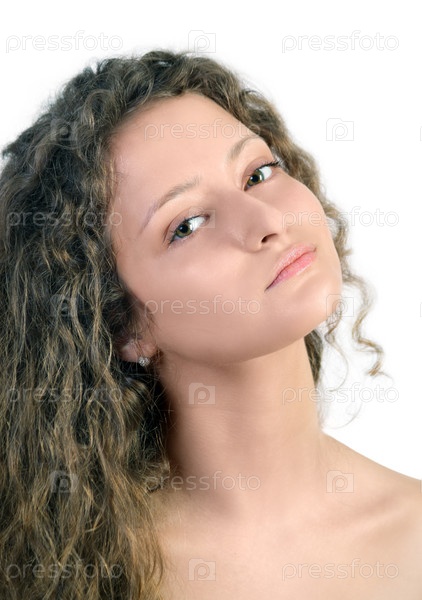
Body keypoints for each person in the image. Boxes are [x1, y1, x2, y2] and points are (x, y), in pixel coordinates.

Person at [0, 49, 420, 600]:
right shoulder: (64, 575)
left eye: (257, 174)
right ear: (122, 324)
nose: (267, 220)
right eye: (188, 224)